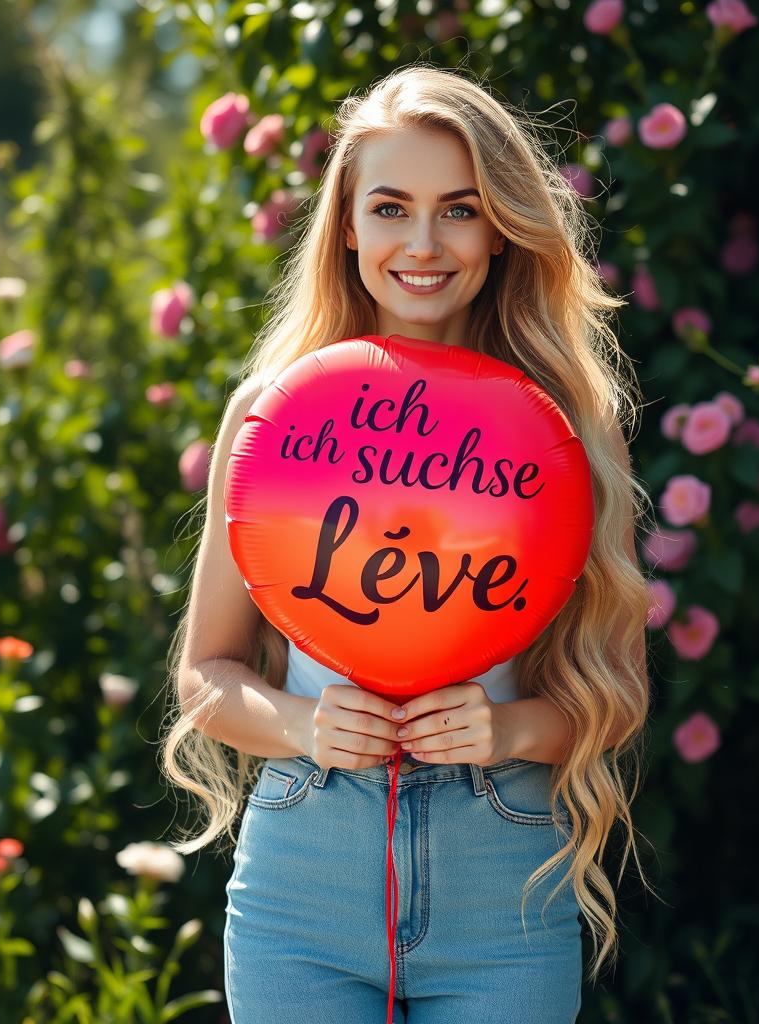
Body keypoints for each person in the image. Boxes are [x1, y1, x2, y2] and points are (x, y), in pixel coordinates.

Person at [162, 63, 654, 1024]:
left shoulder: (563, 428)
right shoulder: (271, 416)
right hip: (300, 889)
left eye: (460, 210)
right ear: (347, 225)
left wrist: (508, 730)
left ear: (501, 226)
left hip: (504, 888)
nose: (422, 244)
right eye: (391, 208)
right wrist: (305, 726)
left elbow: (618, 691)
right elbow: (204, 677)